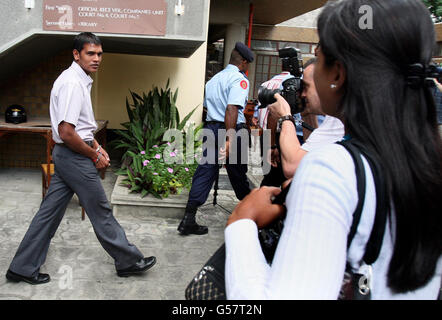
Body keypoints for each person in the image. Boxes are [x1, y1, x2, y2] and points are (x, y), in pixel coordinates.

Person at [224, 0, 442, 299]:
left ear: (337, 74)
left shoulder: (332, 168)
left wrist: (241, 223)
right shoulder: (428, 162)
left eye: (319, 56)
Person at [6, 32, 156, 285]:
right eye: (90, 53)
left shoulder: (79, 79)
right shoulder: (73, 84)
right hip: (74, 156)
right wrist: (94, 154)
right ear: (76, 54)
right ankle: (129, 261)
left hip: (69, 154)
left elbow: (82, 126)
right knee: (101, 210)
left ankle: (21, 267)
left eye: (99, 54)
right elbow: (66, 132)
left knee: (48, 213)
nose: (96, 58)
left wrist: (97, 144)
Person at [177, 42, 253, 236]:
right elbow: (232, 108)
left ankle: (188, 219)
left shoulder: (213, 80)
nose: (248, 68)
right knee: (238, 174)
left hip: (211, 128)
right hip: (231, 129)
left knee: (204, 171)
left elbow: (209, 108)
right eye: (248, 64)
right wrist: (229, 139)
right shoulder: (239, 80)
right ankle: (251, 216)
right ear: (243, 62)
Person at [261, 58, 344, 186]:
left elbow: (292, 167)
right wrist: (306, 112)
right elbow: (313, 146)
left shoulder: (339, 120)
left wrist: (285, 116)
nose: (303, 95)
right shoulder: (334, 117)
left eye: (306, 87)